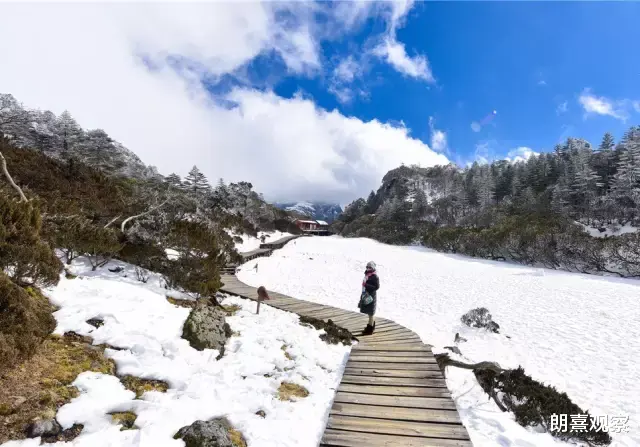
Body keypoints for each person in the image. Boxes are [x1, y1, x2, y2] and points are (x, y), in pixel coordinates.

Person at [358, 261, 379, 335]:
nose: (367, 268)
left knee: (371, 313)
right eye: (367, 267)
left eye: (369, 267)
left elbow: (376, 287)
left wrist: (366, 285)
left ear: (372, 268)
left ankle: (370, 329)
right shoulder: (367, 275)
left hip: (371, 296)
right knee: (369, 312)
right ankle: (370, 326)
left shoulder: (374, 276)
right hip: (366, 295)